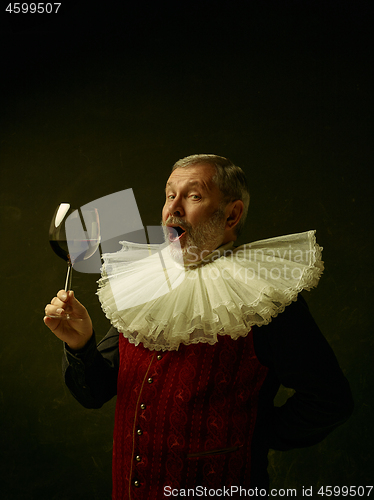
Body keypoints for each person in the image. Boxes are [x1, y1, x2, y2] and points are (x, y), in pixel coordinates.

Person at [44, 154, 353, 499]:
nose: (173, 209)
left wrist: (251, 438)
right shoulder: (141, 286)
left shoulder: (265, 299)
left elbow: (330, 400)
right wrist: (80, 345)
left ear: (232, 214)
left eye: (193, 196)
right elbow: (95, 392)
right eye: (169, 195)